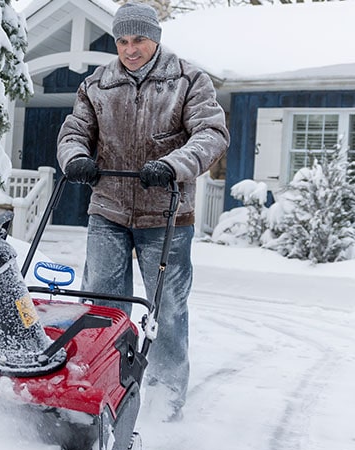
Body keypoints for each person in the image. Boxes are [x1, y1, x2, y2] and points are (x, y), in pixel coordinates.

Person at [55, 2, 229, 421]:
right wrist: (75, 157)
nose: (130, 50)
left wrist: (172, 165)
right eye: (123, 41)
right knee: (103, 306)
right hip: (108, 209)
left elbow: (212, 134)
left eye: (139, 40)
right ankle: (101, 387)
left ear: (156, 38)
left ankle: (166, 402)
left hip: (166, 214)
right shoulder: (97, 84)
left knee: (166, 309)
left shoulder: (188, 81)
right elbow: (74, 132)